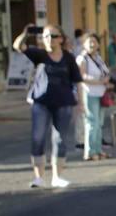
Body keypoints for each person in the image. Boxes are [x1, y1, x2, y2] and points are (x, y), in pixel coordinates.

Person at [14, 25, 82, 189]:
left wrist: (81, 103)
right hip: (41, 102)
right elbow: (17, 46)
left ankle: (57, 176)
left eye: (52, 36)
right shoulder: (40, 54)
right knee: (38, 138)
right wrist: (25, 33)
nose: (48, 39)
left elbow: (77, 81)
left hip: (64, 102)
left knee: (60, 140)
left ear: (60, 38)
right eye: (45, 36)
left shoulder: (68, 58)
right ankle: (39, 177)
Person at [76, 33, 113, 161]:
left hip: (101, 93)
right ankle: (90, 152)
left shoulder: (98, 58)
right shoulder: (82, 59)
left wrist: (106, 79)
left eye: (94, 42)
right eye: (89, 42)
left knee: (99, 123)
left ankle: (98, 150)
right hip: (89, 93)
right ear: (84, 44)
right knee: (92, 123)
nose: (92, 44)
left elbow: (105, 72)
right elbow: (81, 77)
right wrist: (100, 81)